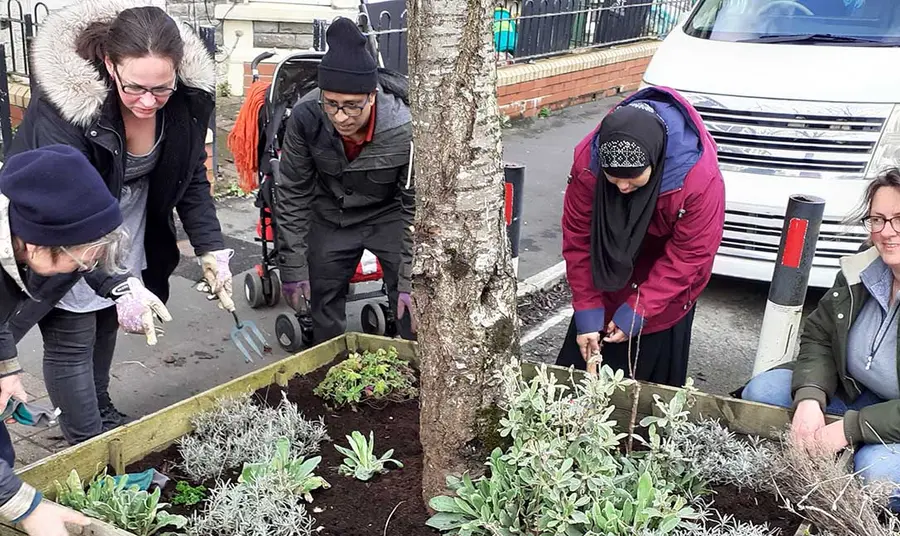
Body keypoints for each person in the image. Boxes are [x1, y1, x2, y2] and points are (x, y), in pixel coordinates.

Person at [6, 2, 232, 445]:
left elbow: (190, 178)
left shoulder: (187, 101)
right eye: (135, 88)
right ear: (110, 64)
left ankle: (99, 405)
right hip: (63, 229)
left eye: (161, 89)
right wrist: (118, 279)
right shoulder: (69, 106)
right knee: (73, 335)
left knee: (107, 319)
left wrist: (210, 247)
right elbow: (70, 212)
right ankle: (86, 441)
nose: (149, 101)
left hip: (125, 222)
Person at [742, 167, 900, 506]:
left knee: (877, 474)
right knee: (762, 392)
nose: (887, 232)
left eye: (899, 219)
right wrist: (811, 397)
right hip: (857, 391)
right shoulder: (864, 267)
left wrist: (849, 429)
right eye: (877, 220)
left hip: (890, 416)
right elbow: (820, 335)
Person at [555, 87, 725, 387]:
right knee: (580, 367)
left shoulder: (698, 180)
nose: (621, 188)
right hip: (608, 268)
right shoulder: (589, 165)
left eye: (633, 179)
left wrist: (640, 309)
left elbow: (690, 255)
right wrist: (587, 311)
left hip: (667, 283)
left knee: (645, 393)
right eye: (614, 178)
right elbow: (579, 240)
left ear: (655, 162)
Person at [0, 145, 131, 535]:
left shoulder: (18, 234)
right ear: (38, 245)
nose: (84, 268)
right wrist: (24, 506)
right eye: (79, 260)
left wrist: (6, 366)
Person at [276, 17, 416, 343]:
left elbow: (414, 208)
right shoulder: (306, 115)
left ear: (373, 95)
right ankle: (329, 366)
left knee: (413, 304)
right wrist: (294, 270)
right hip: (330, 214)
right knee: (321, 298)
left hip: (389, 214)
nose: (340, 117)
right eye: (332, 104)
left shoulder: (403, 127)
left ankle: (415, 363)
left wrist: (410, 281)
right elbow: (293, 193)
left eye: (352, 106)